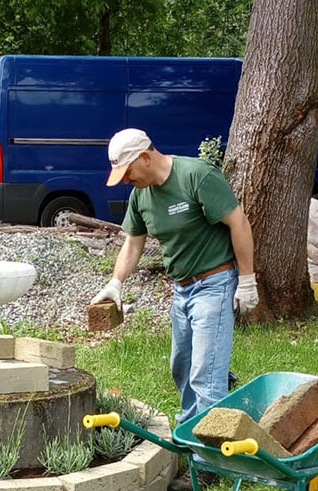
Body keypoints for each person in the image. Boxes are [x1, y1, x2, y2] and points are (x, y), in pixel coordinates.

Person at [91, 128, 259, 423]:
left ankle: (209, 457)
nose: (126, 180)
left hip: (215, 283)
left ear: (144, 157)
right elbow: (133, 242)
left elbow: (239, 223)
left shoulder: (196, 176)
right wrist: (115, 283)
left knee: (205, 376)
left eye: (127, 172)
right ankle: (193, 427)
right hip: (182, 290)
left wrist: (246, 280)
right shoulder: (140, 195)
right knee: (182, 368)